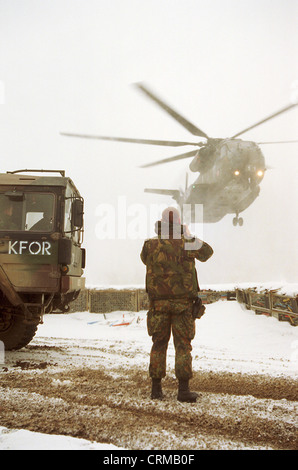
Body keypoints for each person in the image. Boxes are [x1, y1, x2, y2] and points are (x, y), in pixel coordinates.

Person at [140, 207, 213, 403]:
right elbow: (207, 252)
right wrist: (188, 235)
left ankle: (156, 389)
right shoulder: (188, 244)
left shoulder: (150, 245)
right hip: (183, 306)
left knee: (158, 345)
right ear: (179, 223)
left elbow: (144, 260)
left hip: (158, 306)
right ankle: (183, 390)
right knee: (183, 347)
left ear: (161, 223)